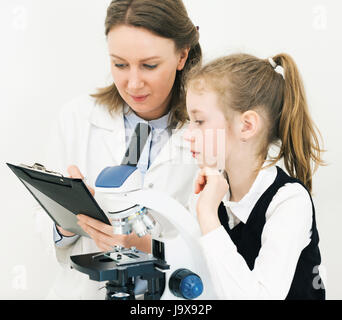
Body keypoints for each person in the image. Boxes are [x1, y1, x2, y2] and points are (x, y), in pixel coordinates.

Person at [36, 0, 201, 299]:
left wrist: (147, 245)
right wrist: (68, 222)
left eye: (149, 65)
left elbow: (225, 244)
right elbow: (44, 229)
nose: (133, 83)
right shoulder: (76, 118)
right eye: (120, 64)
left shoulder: (210, 131)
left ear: (182, 55)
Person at [184, 53, 326, 299]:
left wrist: (207, 216)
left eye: (199, 121)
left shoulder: (289, 201)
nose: (188, 134)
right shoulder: (208, 195)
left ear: (247, 125)